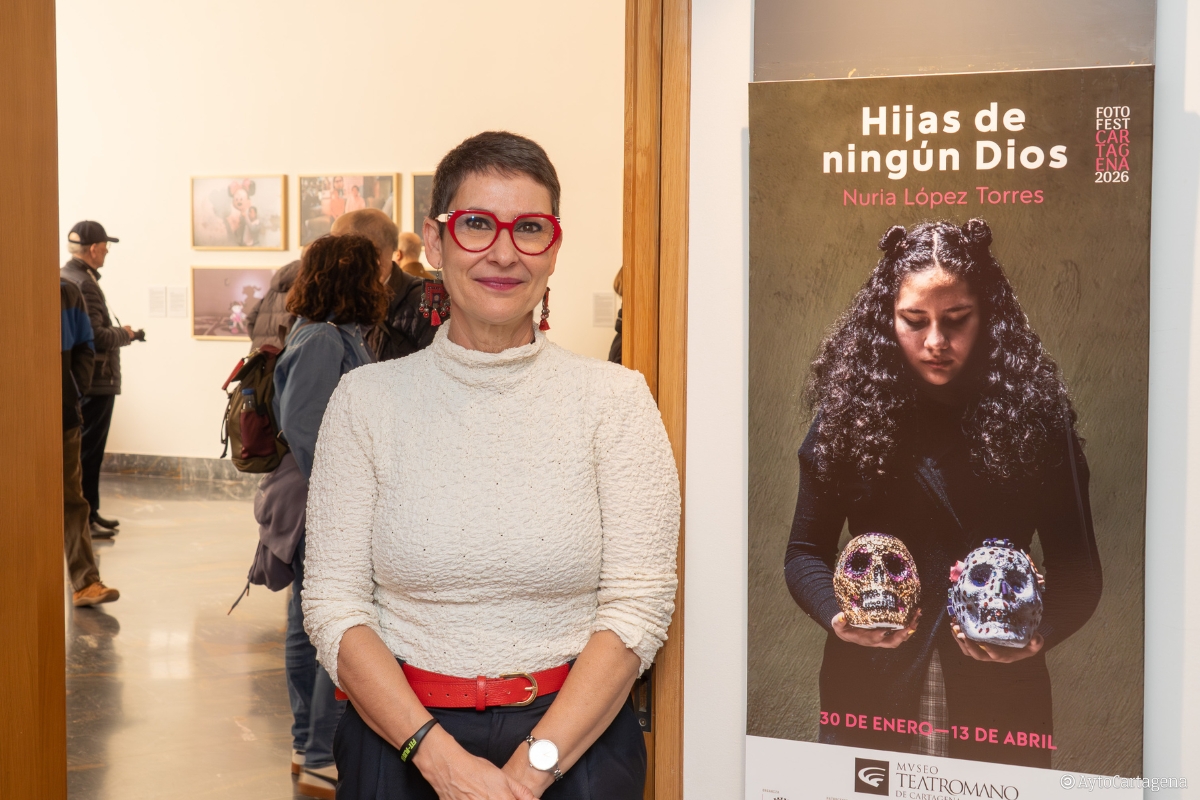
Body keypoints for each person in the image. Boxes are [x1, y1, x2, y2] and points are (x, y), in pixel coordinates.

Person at [302, 131, 680, 799]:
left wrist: (530, 772)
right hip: (401, 740)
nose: (504, 253)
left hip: (575, 744)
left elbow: (639, 605)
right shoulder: (366, 402)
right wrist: (442, 763)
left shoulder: (615, 401)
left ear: (553, 249)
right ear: (436, 240)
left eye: (529, 228)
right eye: (477, 224)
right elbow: (334, 605)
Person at [783, 220, 1102, 768]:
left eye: (956, 320)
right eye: (914, 320)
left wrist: (1038, 634)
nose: (935, 341)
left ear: (988, 316)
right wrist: (838, 615)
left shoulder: (1036, 422)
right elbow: (804, 552)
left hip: (1002, 702)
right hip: (870, 692)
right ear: (887, 319)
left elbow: (1079, 570)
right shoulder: (848, 419)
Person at [270, 234, 387, 799]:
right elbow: (304, 424)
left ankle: (306, 746)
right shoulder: (322, 338)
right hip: (320, 498)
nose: (383, 280)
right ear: (354, 276)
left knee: (306, 621)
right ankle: (320, 754)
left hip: (315, 495)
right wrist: (343, 495)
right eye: (375, 270)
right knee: (329, 631)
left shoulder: (328, 332)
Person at [61, 221, 142, 537]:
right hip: (96, 381)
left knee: (84, 454)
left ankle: (90, 513)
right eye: (105, 245)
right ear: (93, 249)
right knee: (89, 454)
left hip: (80, 381)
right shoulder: (85, 283)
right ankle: (88, 517)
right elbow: (95, 336)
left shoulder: (68, 276)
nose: (108, 250)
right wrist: (127, 334)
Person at [61, 276, 120, 605]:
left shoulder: (67, 291)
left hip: (62, 415)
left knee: (72, 500)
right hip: (17, 421)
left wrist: (74, 390)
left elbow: (86, 344)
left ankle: (85, 582)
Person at [331, 209, 436, 362]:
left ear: (370, 251)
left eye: (338, 249)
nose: (332, 259)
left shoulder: (428, 302)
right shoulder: (344, 299)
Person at [245, 258, 301, 351]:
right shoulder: (303, 290)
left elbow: (251, 318)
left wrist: (259, 339)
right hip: (284, 352)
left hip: (261, 352)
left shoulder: (273, 290)